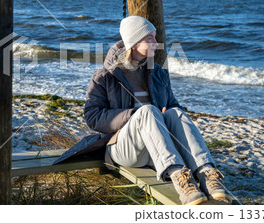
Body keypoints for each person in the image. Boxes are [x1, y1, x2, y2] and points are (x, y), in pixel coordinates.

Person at [54, 16, 230, 205]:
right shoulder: (104, 77)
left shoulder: (159, 74)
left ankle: (207, 173)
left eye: (155, 37)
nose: (156, 42)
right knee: (147, 111)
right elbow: (93, 117)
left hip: (158, 146)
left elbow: (173, 106)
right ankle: (180, 179)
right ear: (134, 42)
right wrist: (133, 115)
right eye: (150, 38)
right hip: (122, 148)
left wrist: (165, 113)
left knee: (175, 113)